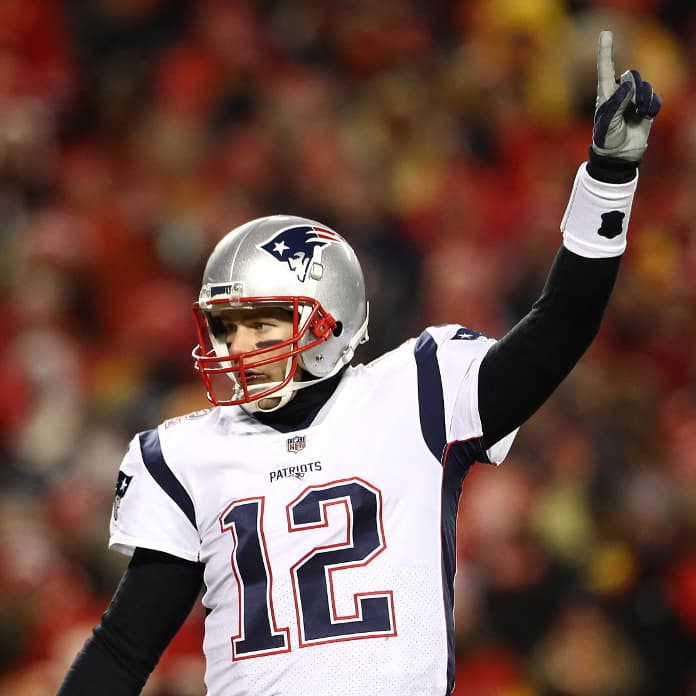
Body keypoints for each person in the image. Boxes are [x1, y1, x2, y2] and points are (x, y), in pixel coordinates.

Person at [58, 31, 661, 696]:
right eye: (225, 329)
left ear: (329, 320)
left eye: (260, 325)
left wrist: (608, 181)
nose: (236, 348)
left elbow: (561, 327)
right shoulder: (185, 453)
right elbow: (123, 649)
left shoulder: (418, 391)